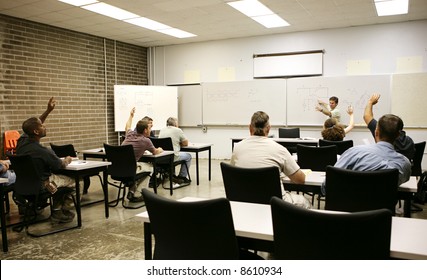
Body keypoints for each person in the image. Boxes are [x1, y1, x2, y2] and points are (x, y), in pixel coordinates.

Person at [16, 97, 78, 223]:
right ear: (36, 131)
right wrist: (68, 159)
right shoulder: (44, 151)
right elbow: (61, 165)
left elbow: (33, 126)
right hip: (43, 186)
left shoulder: (21, 142)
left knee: (57, 178)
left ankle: (43, 208)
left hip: (24, 186)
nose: (45, 126)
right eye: (42, 126)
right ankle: (60, 212)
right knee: (76, 181)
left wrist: (48, 111)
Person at [231, 111, 310, 208]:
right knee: (304, 202)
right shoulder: (280, 150)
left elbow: (233, 173)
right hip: (274, 204)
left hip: (244, 201)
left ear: (250, 128)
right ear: (268, 129)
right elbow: (300, 180)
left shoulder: (237, 148)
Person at [330, 114, 412, 196]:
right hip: (382, 208)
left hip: (346, 207)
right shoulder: (405, 164)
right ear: (398, 136)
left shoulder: (354, 153)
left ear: (376, 132)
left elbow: (328, 184)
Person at [122, 108, 163, 202]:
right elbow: (155, 152)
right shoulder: (145, 141)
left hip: (118, 170)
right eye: (149, 128)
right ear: (145, 130)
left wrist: (131, 116)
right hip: (130, 170)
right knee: (150, 167)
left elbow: (127, 126)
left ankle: (132, 191)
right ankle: (137, 194)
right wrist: (160, 149)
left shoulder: (129, 134)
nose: (150, 130)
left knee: (142, 167)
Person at [363, 93, 415, 161]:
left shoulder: (382, 133)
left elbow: (367, 116)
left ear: (377, 133)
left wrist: (370, 102)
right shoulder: (409, 141)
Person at [158, 117, 192, 184]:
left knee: (172, 153)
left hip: (162, 157)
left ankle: (172, 175)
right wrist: (179, 143)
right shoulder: (178, 130)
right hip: (173, 157)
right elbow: (185, 143)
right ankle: (182, 176)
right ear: (175, 124)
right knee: (188, 156)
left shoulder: (162, 130)